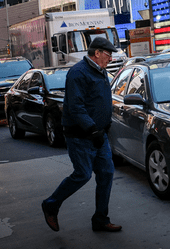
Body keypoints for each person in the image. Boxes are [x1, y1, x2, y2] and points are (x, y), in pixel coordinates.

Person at [41, 37, 121, 233]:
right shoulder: (78, 73)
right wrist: (92, 128)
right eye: (108, 55)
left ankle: (100, 219)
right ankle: (51, 204)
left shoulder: (100, 72)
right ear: (97, 54)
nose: (110, 59)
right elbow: (76, 107)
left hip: (98, 135)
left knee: (107, 173)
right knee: (83, 174)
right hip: (80, 136)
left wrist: (104, 124)